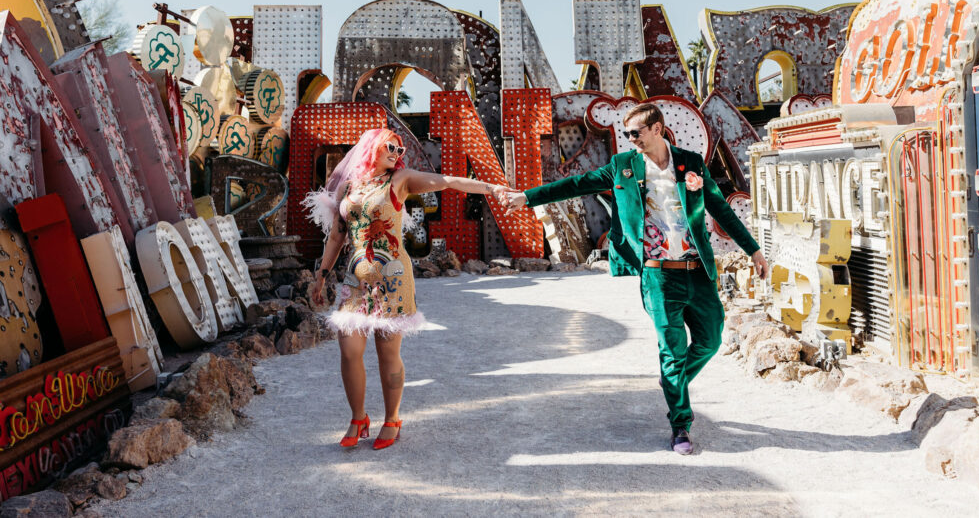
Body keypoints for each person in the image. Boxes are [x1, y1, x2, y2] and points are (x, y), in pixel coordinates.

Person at [502, 102, 769, 455]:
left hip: (698, 271)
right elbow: (576, 184)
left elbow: (719, 207)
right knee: (671, 351)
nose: (630, 140)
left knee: (711, 339)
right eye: (627, 134)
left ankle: (673, 382)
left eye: (635, 133)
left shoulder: (691, 162)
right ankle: (681, 427)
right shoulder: (622, 167)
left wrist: (753, 250)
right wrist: (527, 197)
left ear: (657, 129)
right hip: (658, 277)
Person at [304, 128, 504, 450]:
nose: (397, 153)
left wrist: (490, 188)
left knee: (387, 352)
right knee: (349, 351)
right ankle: (358, 417)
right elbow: (338, 235)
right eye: (390, 147)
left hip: (393, 277)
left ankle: (392, 418)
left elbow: (448, 181)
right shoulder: (349, 187)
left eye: (400, 149)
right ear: (371, 147)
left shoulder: (400, 180)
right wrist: (322, 275)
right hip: (356, 278)